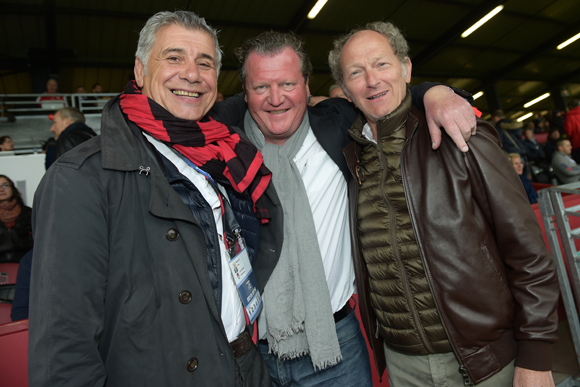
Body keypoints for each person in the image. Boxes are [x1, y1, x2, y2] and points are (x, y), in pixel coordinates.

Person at [29, 11, 282, 387]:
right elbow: (64, 350)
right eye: (174, 57)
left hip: (247, 365)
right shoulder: (81, 177)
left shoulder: (222, 155)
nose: (192, 74)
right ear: (140, 70)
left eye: (205, 62)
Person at [210, 30, 476, 386]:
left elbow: (383, 96)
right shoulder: (222, 144)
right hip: (254, 353)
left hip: (337, 345)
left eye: (288, 83)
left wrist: (433, 93)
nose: (276, 99)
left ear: (307, 86)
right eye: (261, 88)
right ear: (246, 93)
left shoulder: (338, 125)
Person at [329, 21, 559, 386]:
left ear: (405, 69)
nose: (372, 80)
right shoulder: (352, 157)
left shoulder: (460, 132)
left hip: (487, 361)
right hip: (403, 366)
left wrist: (536, 354)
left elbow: (529, 253)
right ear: (345, 89)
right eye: (356, 72)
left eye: (382, 64)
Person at [0, 175, 32, 263]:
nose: (1, 189)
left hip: (26, 262)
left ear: (12, 187)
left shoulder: (28, 213)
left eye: (5, 185)